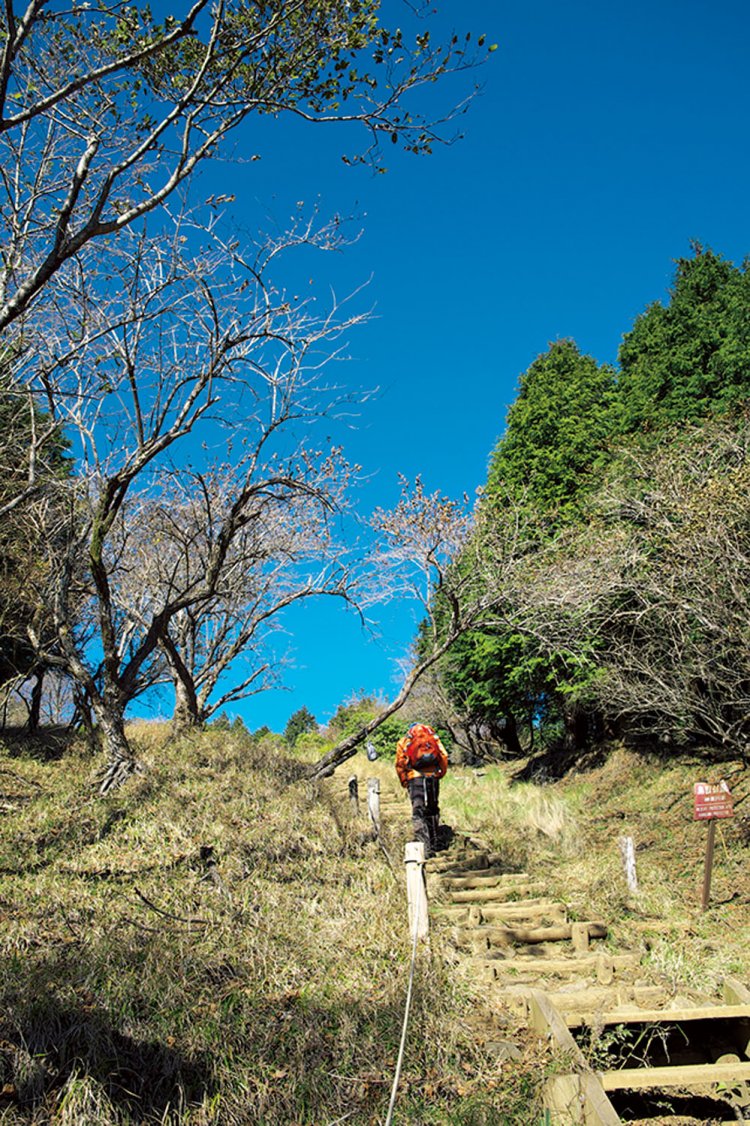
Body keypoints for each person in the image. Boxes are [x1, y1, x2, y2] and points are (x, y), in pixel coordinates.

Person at [395, 723, 448, 858]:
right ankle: (435, 842)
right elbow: (444, 755)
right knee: (432, 808)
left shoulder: (404, 741)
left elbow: (400, 763)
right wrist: (441, 773)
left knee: (418, 810)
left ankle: (424, 846)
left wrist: (404, 780)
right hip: (433, 776)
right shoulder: (434, 739)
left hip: (415, 777)